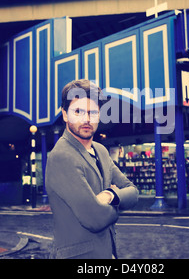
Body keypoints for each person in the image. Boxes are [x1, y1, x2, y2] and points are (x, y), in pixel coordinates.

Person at [45, 79, 138, 259]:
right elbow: (95, 219)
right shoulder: (62, 156)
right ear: (65, 114)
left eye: (92, 112)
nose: (86, 119)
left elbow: (133, 192)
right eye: (78, 111)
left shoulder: (101, 151)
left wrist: (109, 196)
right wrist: (118, 200)